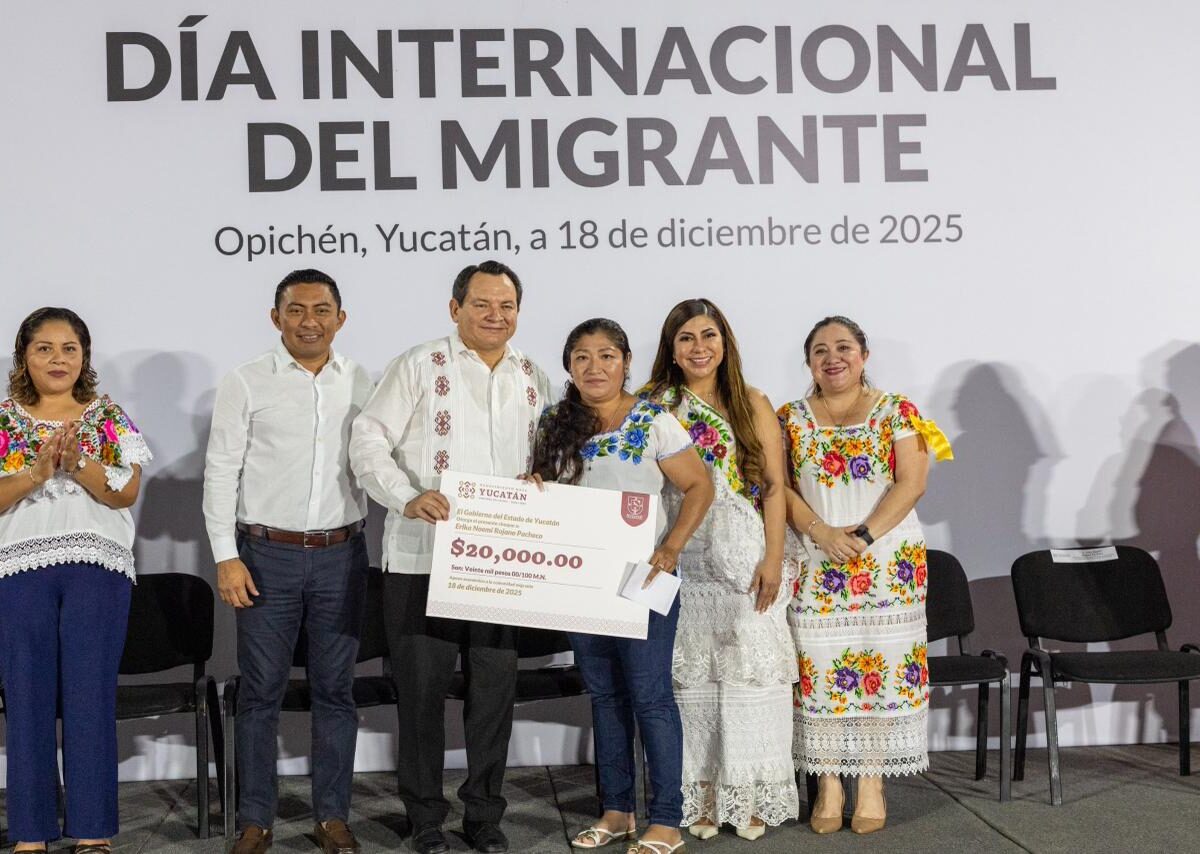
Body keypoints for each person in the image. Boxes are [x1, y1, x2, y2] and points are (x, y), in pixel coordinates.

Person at [349, 260, 552, 854]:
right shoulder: (418, 365)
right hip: (422, 560)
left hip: (502, 566)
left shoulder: (534, 376)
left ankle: (484, 816)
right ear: (455, 308)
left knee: (493, 698)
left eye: (506, 306)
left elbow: (555, 456)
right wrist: (405, 497)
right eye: (482, 304)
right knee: (420, 696)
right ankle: (425, 819)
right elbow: (367, 439)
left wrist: (546, 479)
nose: (495, 315)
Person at [203, 269, 373, 854]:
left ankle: (333, 817)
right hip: (264, 556)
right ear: (276, 318)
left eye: (321, 310)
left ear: (340, 319)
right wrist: (226, 557)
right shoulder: (245, 381)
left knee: (336, 691)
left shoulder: (364, 382)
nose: (309, 322)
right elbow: (221, 472)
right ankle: (256, 820)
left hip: (342, 556)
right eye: (296, 310)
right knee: (260, 692)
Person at [531, 318, 713, 854]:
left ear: (626, 362)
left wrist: (671, 547)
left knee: (651, 698)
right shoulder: (553, 421)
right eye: (582, 357)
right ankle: (617, 811)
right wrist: (531, 486)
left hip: (645, 579)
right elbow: (545, 489)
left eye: (607, 355)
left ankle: (667, 821)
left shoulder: (654, 420)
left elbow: (699, 486)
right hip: (581, 582)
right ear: (569, 366)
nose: (595, 367)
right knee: (606, 696)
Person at [777, 315, 952, 834]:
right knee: (819, 671)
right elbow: (779, 488)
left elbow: (912, 482)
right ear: (808, 362)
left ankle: (871, 781)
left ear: (864, 356)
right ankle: (829, 782)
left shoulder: (897, 410)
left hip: (887, 561)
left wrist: (863, 536)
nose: (833, 358)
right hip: (817, 558)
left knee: (879, 667)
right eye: (820, 350)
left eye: (844, 347)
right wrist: (822, 533)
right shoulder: (789, 417)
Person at [641, 299, 799, 841]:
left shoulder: (751, 401)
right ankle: (703, 798)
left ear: (725, 344)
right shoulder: (653, 404)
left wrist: (773, 558)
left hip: (743, 551)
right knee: (693, 679)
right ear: (671, 348)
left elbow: (774, 486)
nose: (699, 347)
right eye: (686, 337)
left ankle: (748, 797)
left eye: (709, 336)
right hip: (679, 546)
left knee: (748, 674)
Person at [0, 307, 152, 854]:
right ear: (24, 357)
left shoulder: (106, 416)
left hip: (97, 569)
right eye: (44, 348)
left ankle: (92, 831)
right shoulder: (3, 420)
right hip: (19, 572)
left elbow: (125, 492)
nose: (57, 358)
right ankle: (30, 833)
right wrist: (35, 474)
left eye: (69, 348)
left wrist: (78, 464)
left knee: (90, 697)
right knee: (26, 698)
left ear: (84, 357)